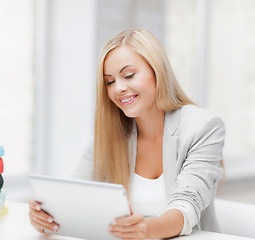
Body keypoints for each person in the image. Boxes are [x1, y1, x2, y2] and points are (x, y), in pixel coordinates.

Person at [28, 28, 226, 240]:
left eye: (129, 75)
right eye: (110, 82)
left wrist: (146, 230)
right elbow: (74, 195)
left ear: (157, 71)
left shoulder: (204, 127)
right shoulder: (109, 134)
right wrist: (46, 215)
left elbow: (187, 205)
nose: (119, 88)